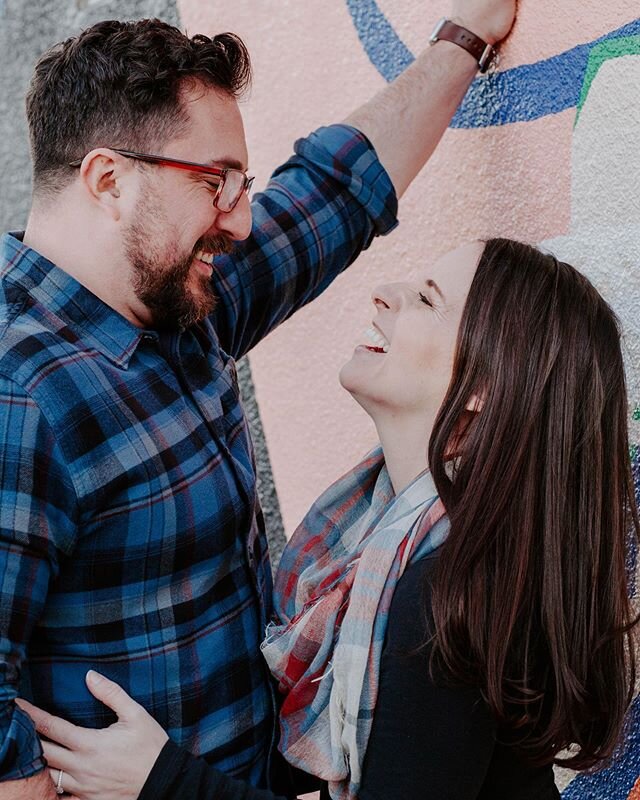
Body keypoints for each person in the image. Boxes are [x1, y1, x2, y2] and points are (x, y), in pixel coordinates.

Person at [0, 2, 517, 798]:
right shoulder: (21, 392)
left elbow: (334, 193)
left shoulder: (179, 301)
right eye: (219, 183)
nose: (240, 219)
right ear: (109, 180)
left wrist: (464, 37)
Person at [23, 238, 639, 800]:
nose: (385, 294)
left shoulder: (450, 592)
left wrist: (163, 780)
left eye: (426, 299)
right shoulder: (387, 542)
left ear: (483, 384)